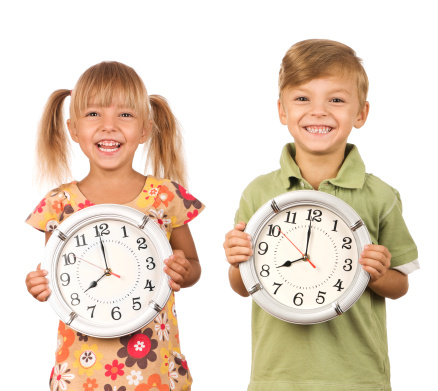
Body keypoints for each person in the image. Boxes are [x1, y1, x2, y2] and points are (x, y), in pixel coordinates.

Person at [223, 39, 418, 391]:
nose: (318, 111)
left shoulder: (380, 196)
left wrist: (378, 273)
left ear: (361, 113)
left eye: (336, 100)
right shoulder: (259, 193)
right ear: (282, 110)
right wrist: (237, 260)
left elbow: (400, 286)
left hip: (358, 377)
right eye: (302, 98)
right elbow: (242, 286)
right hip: (276, 377)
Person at [25, 61, 204, 391]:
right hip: (81, 370)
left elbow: (193, 266)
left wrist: (183, 270)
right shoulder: (59, 205)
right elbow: (59, 278)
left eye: (124, 115)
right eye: (94, 114)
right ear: (74, 129)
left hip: (153, 368)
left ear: (145, 129)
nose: (109, 127)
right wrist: (37, 284)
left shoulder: (165, 197)